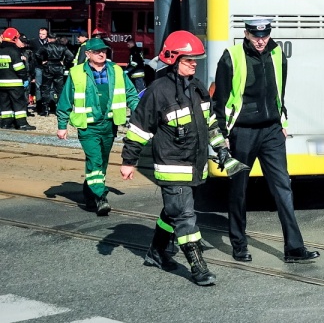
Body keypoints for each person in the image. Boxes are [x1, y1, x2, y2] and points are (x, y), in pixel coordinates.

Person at [120, 31, 244, 286]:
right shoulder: (157, 91)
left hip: (195, 165)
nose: (194, 63)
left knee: (173, 211)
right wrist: (128, 161)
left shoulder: (197, 87)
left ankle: (156, 252)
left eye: (196, 59)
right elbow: (139, 128)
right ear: (173, 59)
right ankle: (198, 267)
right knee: (186, 217)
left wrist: (221, 148)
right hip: (171, 165)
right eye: (189, 60)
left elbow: (210, 123)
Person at [212, 18, 319, 264]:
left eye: (265, 35)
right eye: (256, 35)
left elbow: (279, 92)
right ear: (246, 34)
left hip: (271, 131)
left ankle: (294, 248)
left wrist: (283, 122)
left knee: (283, 188)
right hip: (242, 132)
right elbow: (219, 102)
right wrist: (222, 138)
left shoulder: (277, 53)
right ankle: (239, 245)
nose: (261, 40)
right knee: (238, 190)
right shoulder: (232, 56)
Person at [56, 37, 140, 216]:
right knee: (95, 161)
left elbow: (131, 94)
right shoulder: (76, 73)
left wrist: (141, 115)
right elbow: (65, 100)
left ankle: (89, 197)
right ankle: (101, 197)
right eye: (96, 51)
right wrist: (62, 125)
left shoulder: (116, 71)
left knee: (101, 163)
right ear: (87, 54)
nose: (101, 54)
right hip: (88, 126)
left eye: (104, 51)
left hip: (109, 125)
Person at [0, 28, 36, 130]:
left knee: (5, 105)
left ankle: (6, 123)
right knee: (19, 104)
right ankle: (22, 124)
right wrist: (24, 78)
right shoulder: (14, 50)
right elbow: (19, 68)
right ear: (14, 38)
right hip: (14, 83)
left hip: (1, 83)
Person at [37, 31, 74, 116]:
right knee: (59, 89)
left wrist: (42, 61)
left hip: (48, 67)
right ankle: (60, 108)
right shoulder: (62, 47)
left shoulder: (45, 46)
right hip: (58, 67)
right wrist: (64, 63)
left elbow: (37, 54)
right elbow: (71, 56)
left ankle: (45, 109)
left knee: (46, 88)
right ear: (56, 38)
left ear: (48, 39)